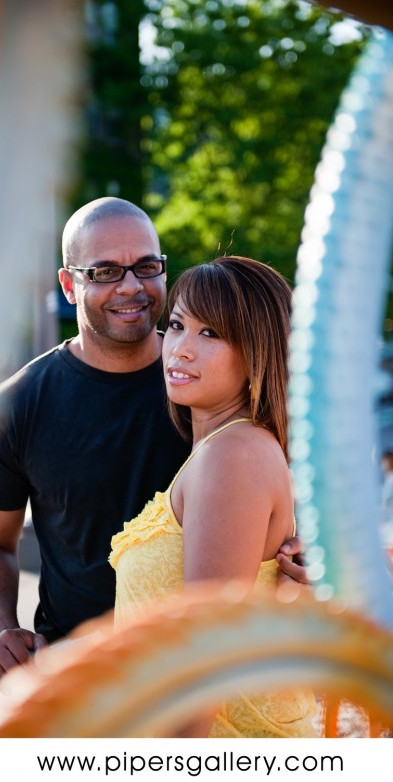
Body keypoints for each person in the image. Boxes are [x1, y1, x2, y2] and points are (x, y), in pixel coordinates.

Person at [0, 197, 306, 687]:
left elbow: (282, 498)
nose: (131, 286)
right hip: (70, 672)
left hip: (189, 682)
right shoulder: (15, 405)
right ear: (68, 284)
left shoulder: (213, 383)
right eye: (104, 271)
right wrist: (1, 630)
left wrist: (304, 556)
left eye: (147, 266)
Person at [109, 256, 317, 737]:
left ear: (256, 352)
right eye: (178, 325)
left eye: (211, 334)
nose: (179, 349)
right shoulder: (225, 450)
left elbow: (203, 661)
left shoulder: (233, 456)